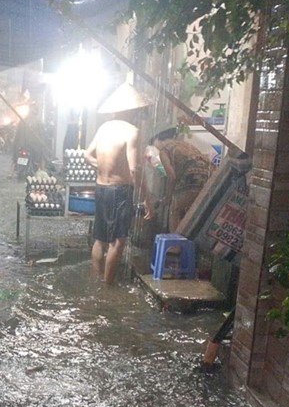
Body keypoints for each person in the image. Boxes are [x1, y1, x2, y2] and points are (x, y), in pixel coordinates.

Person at [85, 82, 154, 285]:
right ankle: (107, 287)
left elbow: (87, 155)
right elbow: (135, 170)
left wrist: (104, 168)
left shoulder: (104, 127)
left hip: (101, 187)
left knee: (100, 238)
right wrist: (147, 199)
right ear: (132, 110)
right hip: (119, 192)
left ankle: (96, 280)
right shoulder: (132, 131)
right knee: (118, 241)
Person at [148, 128, 211, 232]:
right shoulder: (186, 145)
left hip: (192, 180)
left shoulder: (164, 150)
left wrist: (168, 197)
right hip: (208, 180)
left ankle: (175, 245)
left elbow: (171, 176)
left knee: (175, 208)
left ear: (158, 139)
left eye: (153, 146)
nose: (154, 149)